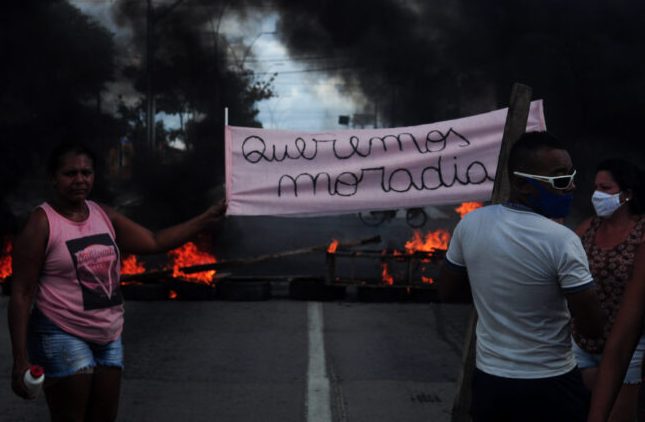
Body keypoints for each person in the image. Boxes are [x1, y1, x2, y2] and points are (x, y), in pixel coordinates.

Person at [8, 142, 226, 421]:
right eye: (70, 173)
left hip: (108, 334)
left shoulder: (103, 215)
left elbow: (154, 240)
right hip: (61, 333)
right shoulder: (42, 223)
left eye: (86, 173)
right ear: (53, 177)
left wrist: (206, 218)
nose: (80, 180)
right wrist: (20, 360)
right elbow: (22, 293)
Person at [437, 131, 605, 422]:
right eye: (560, 180)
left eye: (572, 176)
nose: (572, 187)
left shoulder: (472, 223)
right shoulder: (561, 240)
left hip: (490, 382)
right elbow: (592, 326)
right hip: (551, 385)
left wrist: (495, 296)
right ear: (522, 185)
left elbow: (448, 291)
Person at [570, 159, 645, 422]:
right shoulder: (587, 229)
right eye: (595, 188)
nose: (597, 195)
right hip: (582, 340)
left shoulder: (641, 232)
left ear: (627, 194)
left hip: (628, 343)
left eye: (606, 188)